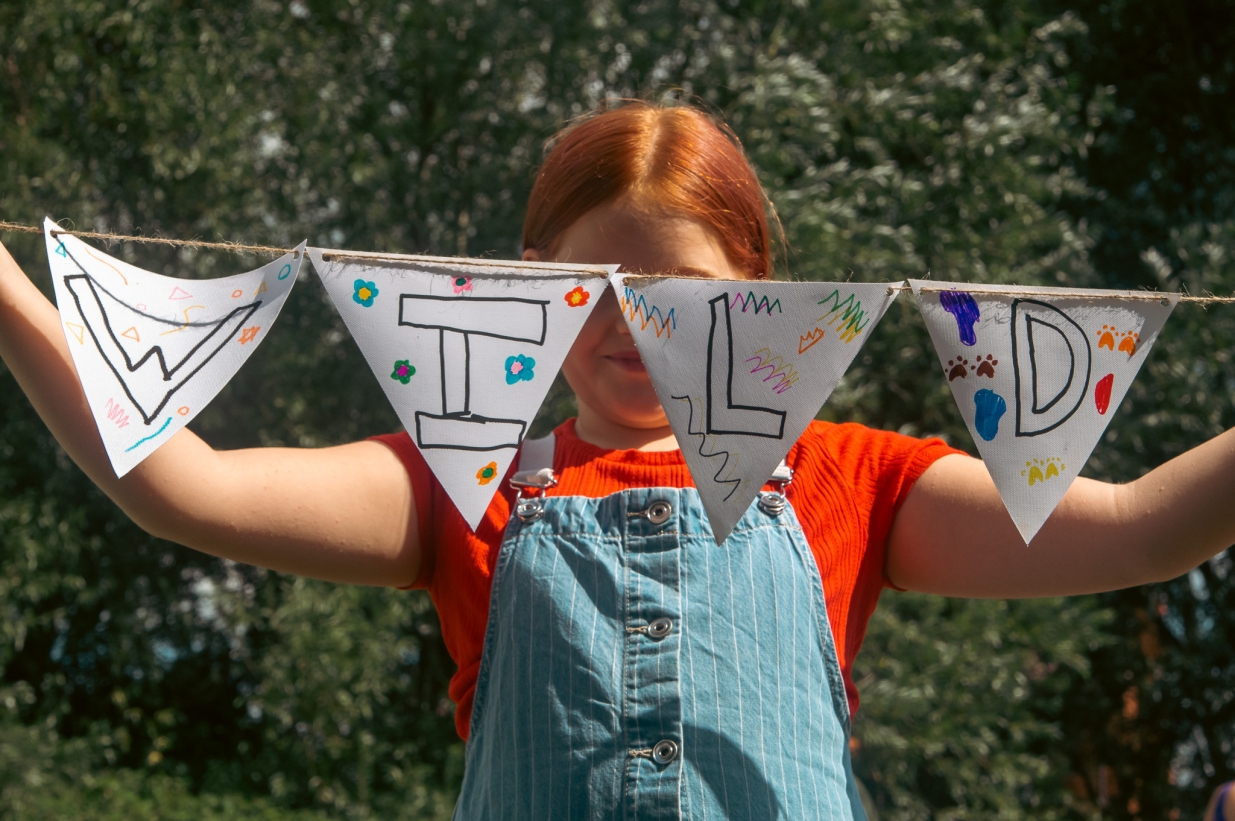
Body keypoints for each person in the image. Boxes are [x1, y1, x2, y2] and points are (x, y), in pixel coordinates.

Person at [2, 101, 1234, 821]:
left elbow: (1138, 523)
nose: (626, 324)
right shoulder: (459, 479)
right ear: (524, 288)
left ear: (755, 294)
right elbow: (177, 480)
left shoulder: (847, 477)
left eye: (675, 292)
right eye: (586, 285)